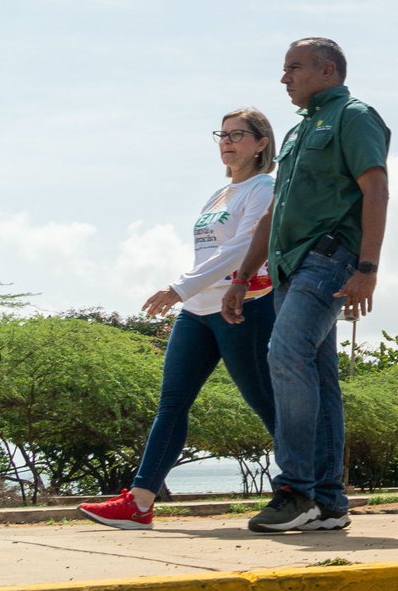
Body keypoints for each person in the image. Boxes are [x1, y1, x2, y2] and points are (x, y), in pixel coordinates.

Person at [79, 109, 278, 530]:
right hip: (196, 312)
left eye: (237, 135)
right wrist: (189, 295)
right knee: (172, 403)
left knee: (265, 401)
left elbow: (241, 249)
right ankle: (140, 501)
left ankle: (309, 486)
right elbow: (208, 253)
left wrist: (178, 288)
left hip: (240, 306)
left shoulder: (263, 188)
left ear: (261, 143)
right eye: (221, 135)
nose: (226, 142)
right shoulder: (219, 195)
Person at [223, 39, 390, 533]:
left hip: (330, 257)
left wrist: (368, 267)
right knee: (318, 374)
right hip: (288, 267)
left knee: (285, 353)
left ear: (328, 70)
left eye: (294, 67)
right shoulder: (298, 132)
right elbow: (274, 215)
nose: (284, 78)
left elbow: (376, 189)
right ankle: (329, 501)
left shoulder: (354, 117)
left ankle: (296, 490)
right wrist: (240, 278)